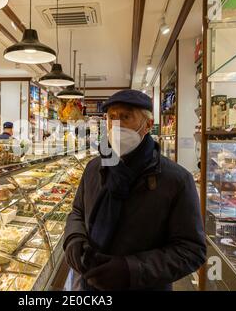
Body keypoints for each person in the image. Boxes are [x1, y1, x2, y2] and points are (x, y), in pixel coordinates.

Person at [63, 89, 206, 291]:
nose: (117, 125)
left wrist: (131, 270)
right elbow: (77, 211)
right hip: (89, 285)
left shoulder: (176, 180)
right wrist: (73, 240)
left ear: (147, 124)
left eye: (126, 117)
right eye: (112, 117)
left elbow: (191, 250)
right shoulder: (94, 168)